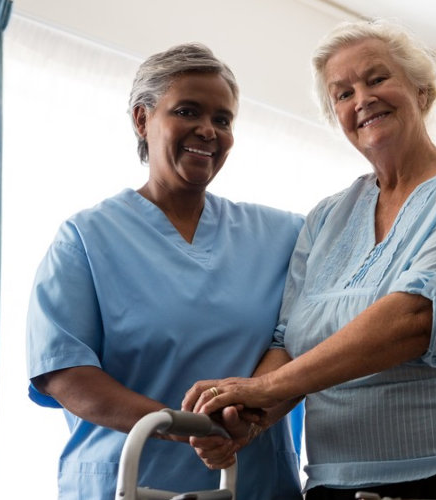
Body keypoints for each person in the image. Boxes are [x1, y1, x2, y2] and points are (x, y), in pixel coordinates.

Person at [184, 21, 436, 499]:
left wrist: (262, 392)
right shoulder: (327, 217)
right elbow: (289, 342)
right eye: (342, 93)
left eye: (376, 79)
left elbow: (414, 318)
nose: (362, 99)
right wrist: (247, 421)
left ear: (421, 89)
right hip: (337, 481)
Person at [24, 43, 302, 500]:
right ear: (141, 119)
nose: (208, 130)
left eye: (223, 119)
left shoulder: (282, 236)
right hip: (129, 479)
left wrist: (247, 415)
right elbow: (65, 373)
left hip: (253, 483)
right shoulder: (86, 238)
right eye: (188, 111)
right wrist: (187, 427)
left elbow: (302, 342)